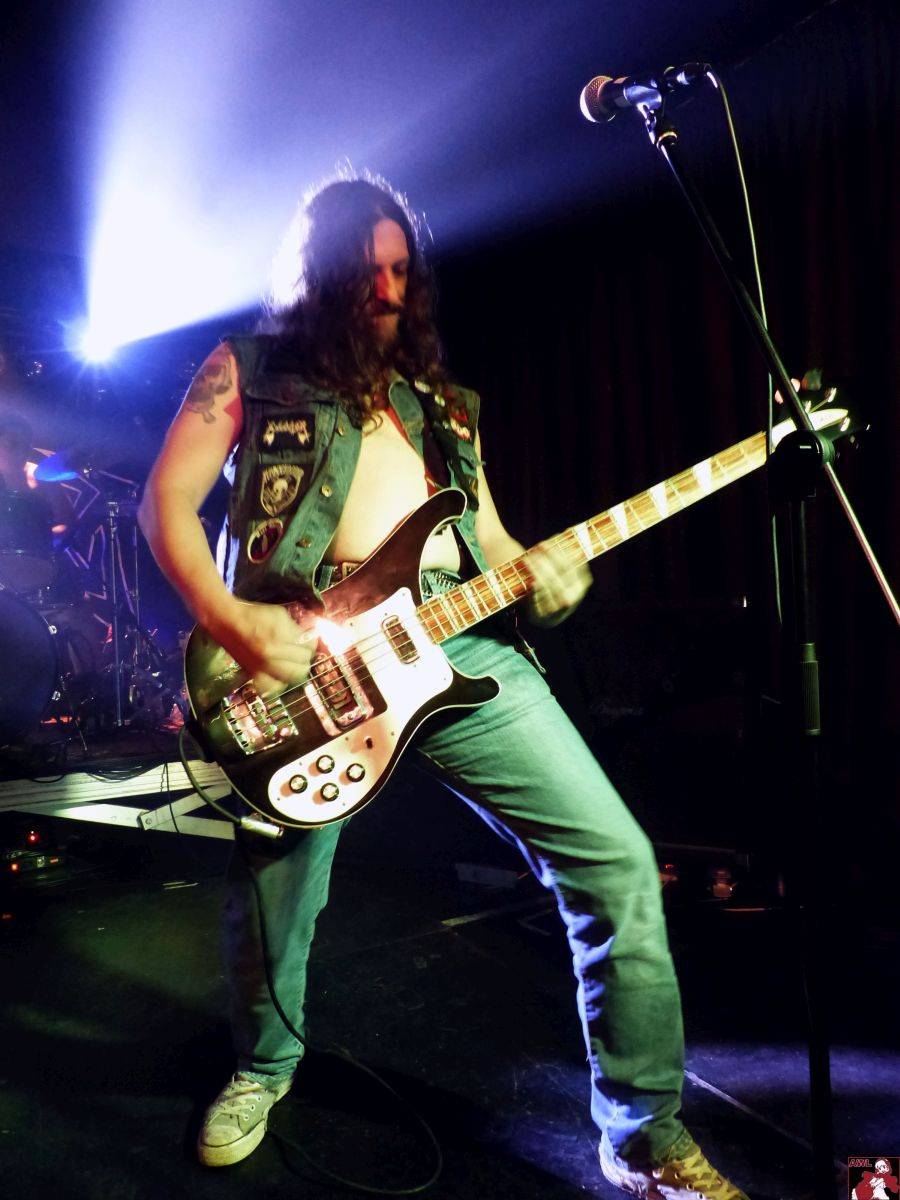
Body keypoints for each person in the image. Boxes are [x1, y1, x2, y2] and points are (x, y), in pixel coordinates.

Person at [138, 174, 747, 1198]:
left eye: (399, 271)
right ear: (318, 275)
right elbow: (166, 501)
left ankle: (644, 1132)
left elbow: (489, 540)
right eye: (365, 271)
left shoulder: (443, 408)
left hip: (454, 651)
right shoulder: (248, 369)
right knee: (277, 896)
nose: (387, 290)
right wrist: (233, 620)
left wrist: (549, 579)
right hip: (306, 668)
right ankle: (263, 1069)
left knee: (616, 860)